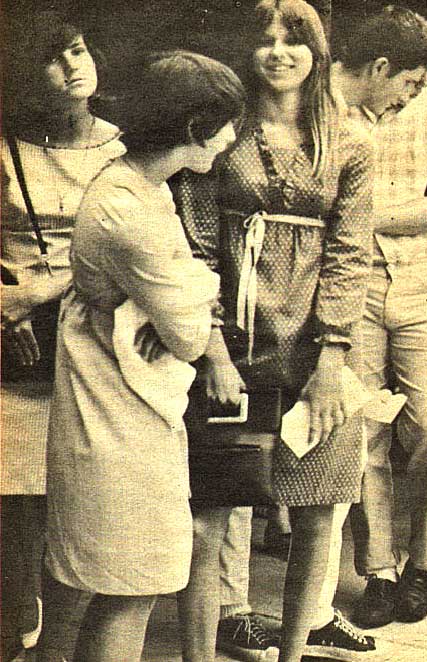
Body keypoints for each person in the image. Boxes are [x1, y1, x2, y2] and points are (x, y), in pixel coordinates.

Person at [174, 2, 377, 661]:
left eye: (294, 40)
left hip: (316, 356)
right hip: (235, 349)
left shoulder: (347, 142)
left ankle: (291, 655)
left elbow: (350, 254)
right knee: (210, 520)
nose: (279, 52)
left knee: (319, 511)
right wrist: (213, 352)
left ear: (317, 52)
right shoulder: (218, 135)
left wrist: (332, 361)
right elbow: (197, 249)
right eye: (265, 40)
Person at [38, 50, 242, 662]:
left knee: (88, 588)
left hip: (118, 408)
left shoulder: (143, 187)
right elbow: (186, 331)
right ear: (192, 128)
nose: (232, 137)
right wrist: (184, 295)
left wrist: (176, 295)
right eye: (226, 123)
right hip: (115, 417)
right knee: (129, 591)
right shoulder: (130, 207)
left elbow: (185, 295)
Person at [339, 5, 427, 629]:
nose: (418, 90)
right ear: (381, 67)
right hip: (356, 286)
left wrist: (364, 220)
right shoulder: (334, 108)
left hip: (423, 283)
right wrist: (399, 213)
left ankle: (423, 565)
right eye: (412, 78)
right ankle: (378, 571)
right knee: (363, 431)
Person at [0, 12, 124, 661]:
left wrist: (34, 297)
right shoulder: (6, 146)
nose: (74, 65)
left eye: (79, 50)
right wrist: (4, 309)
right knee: (14, 501)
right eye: (56, 57)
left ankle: (61, 636)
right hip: (15, 347)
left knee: (81, 499)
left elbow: (128, 252)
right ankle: (18, 620)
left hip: (95, 334)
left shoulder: (124, 149)